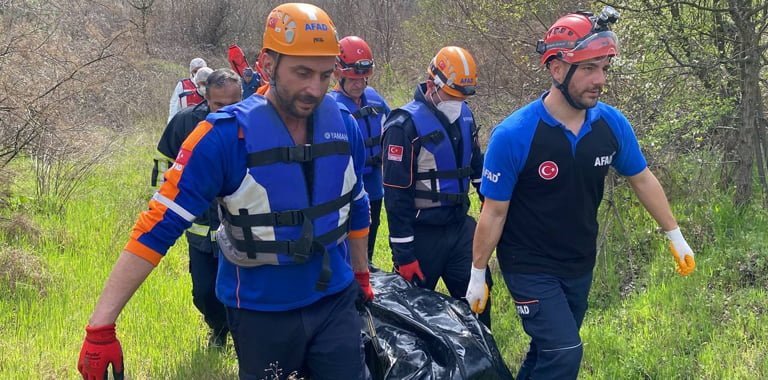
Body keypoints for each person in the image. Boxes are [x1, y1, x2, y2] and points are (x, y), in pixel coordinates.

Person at [77, 3, 374, 380]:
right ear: (267, 64)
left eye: (325, 75)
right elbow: (157, 225)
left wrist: (362, 275)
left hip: (335, 298)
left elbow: (358, 204)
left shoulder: (345, 126)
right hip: (262, 312)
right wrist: (101, 326)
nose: (314, 89)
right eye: (302, 73)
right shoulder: (223, 137)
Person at [465, 7, 696, 379]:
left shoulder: (611, 124)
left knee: (547, 353)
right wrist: (478, 273)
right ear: (557, 69)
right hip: (529, 266)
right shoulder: (514, 135)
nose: (600, 79)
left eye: (603, 68)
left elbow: (642, 178)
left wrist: (675, 234)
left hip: (578, 263)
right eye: (589, 68)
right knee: (565, 353)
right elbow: (493, 213)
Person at [381, 46, 491, 327]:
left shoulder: (465, 117)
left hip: (459, 229)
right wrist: (404, 255)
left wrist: (490, 206)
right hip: (421, 235)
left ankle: (482, 365)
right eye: (453, 96)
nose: (459, 103)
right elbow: (396, 197)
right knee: (414, 319)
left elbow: (476, 169)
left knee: (478, 303)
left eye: (464, 97)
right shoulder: (403, 125)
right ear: (432, 85)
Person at [151, 68, 243, 349]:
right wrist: (166, 200)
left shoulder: (254, 123)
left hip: (243, 228)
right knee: (203, 292)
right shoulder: (185, 122)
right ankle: (217, 328)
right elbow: (163, 160)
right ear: (206, 99)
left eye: (234, 104)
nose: (227, 112)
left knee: (241, 292)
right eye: (219, 105)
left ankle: (244, 339)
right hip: (201, 227)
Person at [329, 36, 390, 269]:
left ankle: (366, 283)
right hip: (344, 192)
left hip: (374, 189)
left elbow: (394, 129)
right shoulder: (331, 108)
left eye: (363, 78)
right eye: (353, 79)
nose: (359, 84)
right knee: (345, 252)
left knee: (367, 248)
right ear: (338, 73)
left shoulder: (375, 99)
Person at [167, 57, 207, 122]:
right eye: (195, 71)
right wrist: (172, 122)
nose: (197, 73)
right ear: (191, 71)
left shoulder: (211, 83)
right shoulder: (183, 85)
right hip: (186, 121)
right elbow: (174, 105)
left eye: (200, 70)